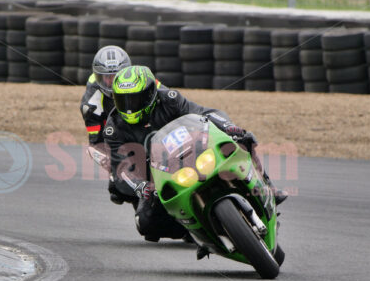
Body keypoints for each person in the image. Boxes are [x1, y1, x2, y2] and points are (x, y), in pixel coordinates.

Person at [104, 65, 287, 243]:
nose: (129, 108)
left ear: (150, 94)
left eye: (134, 100)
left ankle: (266, 186)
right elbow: (121, 170)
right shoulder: (114, 128)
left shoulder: (169, 99)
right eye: (123, 100)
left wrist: (228, 127)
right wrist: (140, 186)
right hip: (155, 177)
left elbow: (202, 113)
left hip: (191, 152)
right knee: (145, 223)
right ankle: (193, 232)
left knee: (243, 139)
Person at [78, 45, 135, 205]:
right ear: (98, 77)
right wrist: (116, 166)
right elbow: (95, 144)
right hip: (116, 139)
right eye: (107, 77)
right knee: (117, 190)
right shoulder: (91, 105)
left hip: (144, 128)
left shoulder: (139, 79)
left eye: (116, 75)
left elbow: (163, 93)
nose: (111, 81)